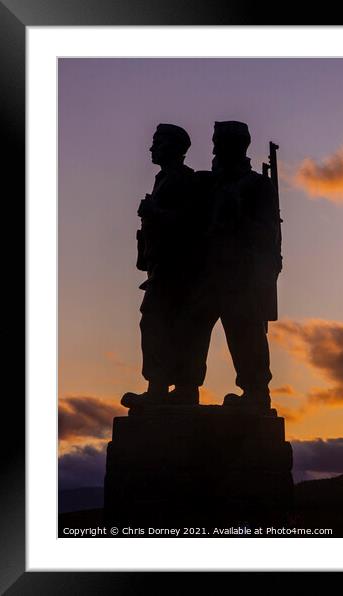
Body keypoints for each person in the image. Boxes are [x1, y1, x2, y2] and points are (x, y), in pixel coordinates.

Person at [187, 120, 282, 411]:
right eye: (215, 141)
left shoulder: (257, 185)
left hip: (241, 274)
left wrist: (237, 214)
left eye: (222, 141)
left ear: (239, 146)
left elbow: (268, 233)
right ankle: (185, 387)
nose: (215, 147)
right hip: (206, 271)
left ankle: (255, 392)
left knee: (245, 333)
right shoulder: (208, 183)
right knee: (191, 330)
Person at [121, 123, 203, 408]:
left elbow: (191, 223)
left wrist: (155, 212)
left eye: (158, 142)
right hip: (162, 267)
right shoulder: (164, 179)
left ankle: (169, 388)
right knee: (159, 324)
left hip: (178, 269)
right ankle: (166, 387)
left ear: (174, 147)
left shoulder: (184, 180)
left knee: (165, 324)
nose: (152, 147)